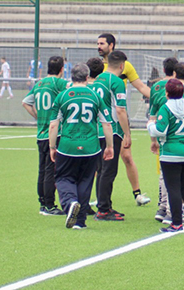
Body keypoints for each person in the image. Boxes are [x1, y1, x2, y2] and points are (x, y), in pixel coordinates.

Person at [48, 64, 115, 229]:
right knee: (85, 181)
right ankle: (80, 221)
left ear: (71, 77)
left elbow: (53, 125)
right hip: (91, 147)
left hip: (67, 146)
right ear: (87, 77)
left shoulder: (63, 96)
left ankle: (70, 202)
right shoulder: (95, 96)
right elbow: (107, 124)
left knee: (63, 178)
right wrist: (109, 146)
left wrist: (52, 146)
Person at [97, 33, 152, 205]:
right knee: (98, 161)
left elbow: (141, 86)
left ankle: (137, 194)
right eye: (97, 43)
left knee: (126, 156)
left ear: (111, 45)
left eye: (102, 43)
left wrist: (160, 99)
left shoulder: (124, 66)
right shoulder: (96, 66)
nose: (98, 46)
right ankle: (99, 200)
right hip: (100, 119)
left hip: (118, 118)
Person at [146, 79, 184, 232]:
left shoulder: (165, 108)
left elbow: (160, 131)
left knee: (173, 187)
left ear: (167, 93)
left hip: (171, 153)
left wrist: (150, 125)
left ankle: (176, 223)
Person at [21, 56, 67, 216]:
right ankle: (49, 205)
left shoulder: (39, 83)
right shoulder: (59, 83)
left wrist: (38, 116)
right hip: (54, 133)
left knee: (42, 169)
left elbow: (25, 102)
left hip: (41, 133)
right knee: (51, 170)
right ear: (62, 69)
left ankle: (42, 203)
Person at [92, 51, 131, 221]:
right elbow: (120, 110)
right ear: (122, 65)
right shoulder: (117, 82)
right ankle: (103, 209)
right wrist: (127, 133)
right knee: (108, 170)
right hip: (111, 130)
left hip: (97, 130)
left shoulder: (97, 79)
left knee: (101, 170)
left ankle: (105, 205)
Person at [146, 57, 178, 222]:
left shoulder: (156, 87)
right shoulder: (180, 87)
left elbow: (151, 115)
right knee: (178, 175)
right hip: (179, 136)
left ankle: (162, 206)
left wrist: (153, 139)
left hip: (160, 133)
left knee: (163, 172)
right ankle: (172, 209)